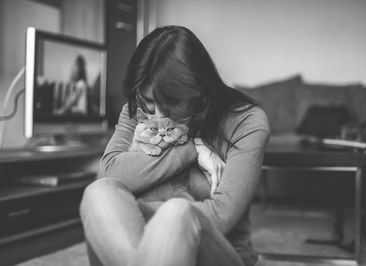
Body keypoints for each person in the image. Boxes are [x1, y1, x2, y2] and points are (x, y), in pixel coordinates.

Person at [79, 25, 270, 266]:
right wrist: (191, 149)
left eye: (169, 104)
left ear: (196, 91)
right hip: (138, 244)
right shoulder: (138, 108)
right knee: (99, 192)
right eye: (149, 102)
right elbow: (109, 173)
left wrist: (141, 214)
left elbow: (222, 216)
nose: (157, 114)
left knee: (177, 212)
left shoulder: (246, 120)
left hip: (215, 251)